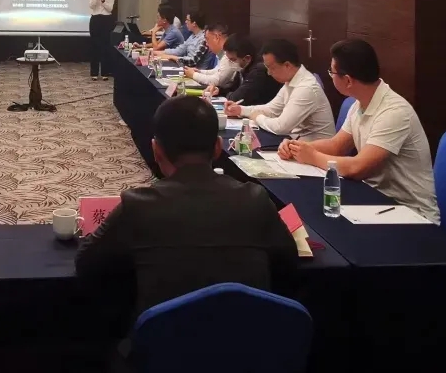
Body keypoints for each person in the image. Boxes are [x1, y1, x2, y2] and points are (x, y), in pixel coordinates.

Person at [75, 97, 297, 362]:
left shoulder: (138, 205)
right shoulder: (256, 199)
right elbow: (288, 261)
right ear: (218, 147)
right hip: (249, 354)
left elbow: (87, 262)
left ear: (156, 150)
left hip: (162, 356)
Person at [279, 39, 440, 222]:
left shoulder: (394, 112)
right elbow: (336, 146)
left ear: (347, 80)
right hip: (375, 198)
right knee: (311, 208)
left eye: (331, 72)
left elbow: (358, 168)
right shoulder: (360, 104)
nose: (330, 76)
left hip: (410, 212)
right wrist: (297, 147)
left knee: (321, 220)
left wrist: (312, 156)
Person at [224, 38, 334, 141]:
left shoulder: (306, 88)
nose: (268, 73)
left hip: (317, 149)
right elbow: (271, 110)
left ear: (287, 65)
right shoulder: (291, 81)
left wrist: (258, 118)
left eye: (271, 68)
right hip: (297, 143)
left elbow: (281, 127)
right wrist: (240, 110)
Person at [207, 34, 282, 106]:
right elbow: (233, 88)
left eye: (233, 59)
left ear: (247, 58)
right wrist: (219, 90)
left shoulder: (259, 71)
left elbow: (237, 98)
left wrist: (229, 95)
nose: (230, 63)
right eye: (228, 59)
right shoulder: (243, 68)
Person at [88, 0, 116, 81]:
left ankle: (105, 72)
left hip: (106, 20)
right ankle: (94, 73)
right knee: (94, 46)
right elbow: (92, 6)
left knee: (105, 46)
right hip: (95, 19)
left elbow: (110, 8)